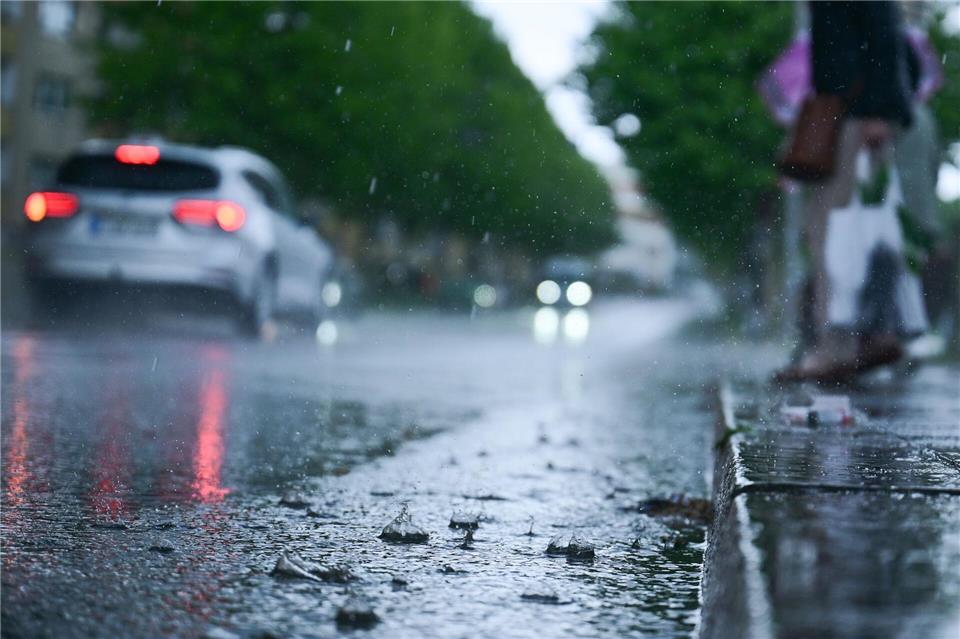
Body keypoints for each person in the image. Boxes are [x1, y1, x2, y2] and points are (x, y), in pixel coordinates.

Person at [778, 1, 919, 382]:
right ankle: (874, 333)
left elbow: (884, 38)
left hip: (853, 117)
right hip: (854, 113)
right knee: (863, 230)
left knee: (832, 233)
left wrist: (876, 110)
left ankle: (839, 346)